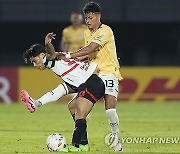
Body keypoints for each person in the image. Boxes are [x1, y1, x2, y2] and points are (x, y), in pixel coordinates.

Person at [21, 33, 105, 152]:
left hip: (90, 82)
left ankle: (75, 146)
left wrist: (48, 44)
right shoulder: (60, 58)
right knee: (71, 106)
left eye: (35, 61)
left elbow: (50, 53)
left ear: (41, 55)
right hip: (84, 82)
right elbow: (54, 55)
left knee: (80, 112)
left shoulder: (48, 59)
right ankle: (84, 144)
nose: (35, 65)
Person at [58, 2, 123, 152]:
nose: (87, 21)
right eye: (86, 18)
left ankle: (116, 139)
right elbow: (89, 54)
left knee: (110, 110)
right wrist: (71, 60)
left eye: (90, 18)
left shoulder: (105, 30)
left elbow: (91, 48)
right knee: (73, 107)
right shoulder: (87, 33)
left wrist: (68, 55)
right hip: (94, 75)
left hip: (109, 73)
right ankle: (82, 142)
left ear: (98, 16)